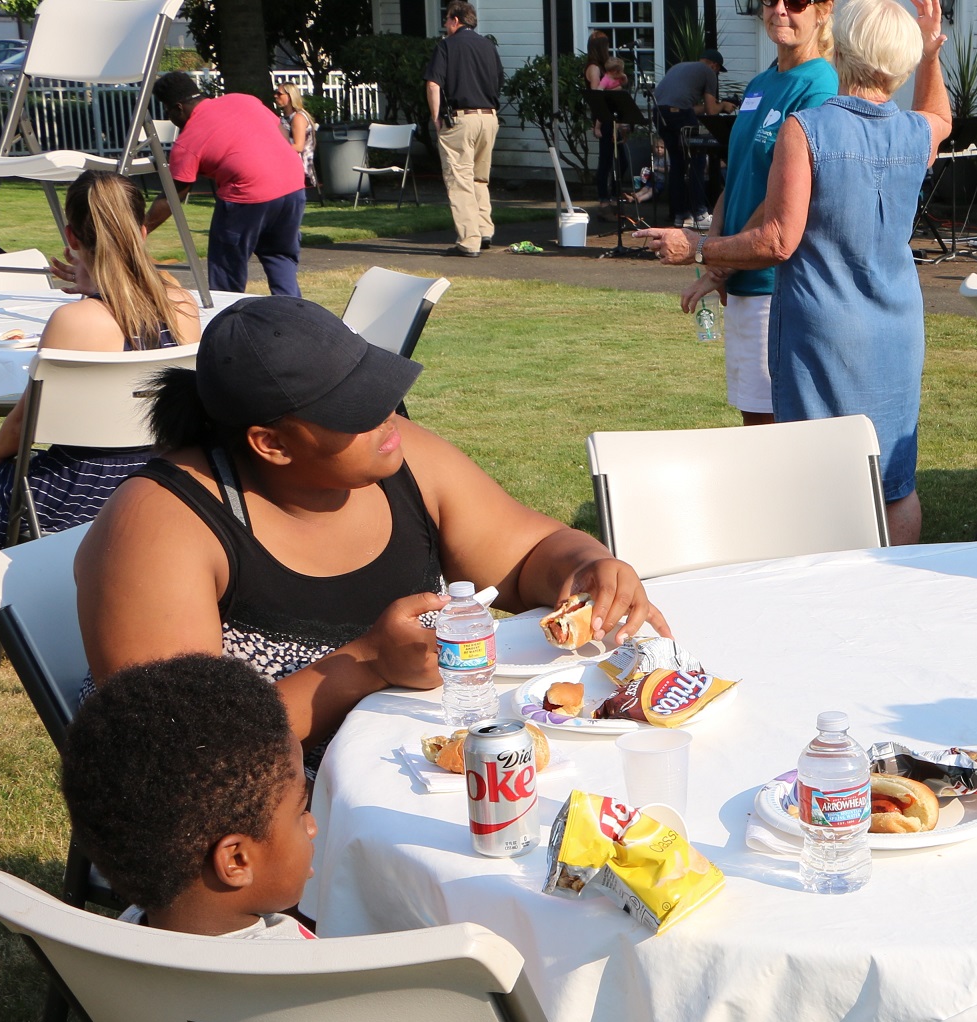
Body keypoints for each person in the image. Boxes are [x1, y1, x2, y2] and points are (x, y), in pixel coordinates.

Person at [61, 652, 646, 1022]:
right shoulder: (301, 990)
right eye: (300, 812)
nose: (312, 828)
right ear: (236, 861)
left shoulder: (127, 948)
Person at [75, 294, 666, 758]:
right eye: (353, 410)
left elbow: (529, 552)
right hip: (276, 818)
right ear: (272, 444)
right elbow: (180, 745)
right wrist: (367, 665)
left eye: (377, 388)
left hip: (423, 758)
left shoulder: (400, 459)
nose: (387, 417)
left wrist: (588, 568)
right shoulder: (164, 526)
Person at [633, 0, 950, 547]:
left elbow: (778, 239)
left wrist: (702, 250)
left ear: (844, 46)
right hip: (896, 332)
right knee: (895, 482)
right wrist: (930, 56)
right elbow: (941, 117)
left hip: (823, 334)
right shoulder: (913, 133)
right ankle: (898, 592)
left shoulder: (807, 128)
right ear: (898, 62)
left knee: (817, 478)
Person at [0, 172, 202, 641]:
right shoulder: (182, 305)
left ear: (71, 237)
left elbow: (25, 423)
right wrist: (94, 280)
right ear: (142, 229)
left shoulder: (74, 321)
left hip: (77, 498)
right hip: (166, 483)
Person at [672, 0, 837, 426]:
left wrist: (718, 259)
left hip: (775, 281)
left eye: (797, 2)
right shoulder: (761, 83)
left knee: (772, 426)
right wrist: (718, 255)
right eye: (771, 0)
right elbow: (740, 174)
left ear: (823, 11)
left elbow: (786, 192)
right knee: (753, 415)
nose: (780, 10)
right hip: (743, 274)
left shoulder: (820, 84)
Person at [144, 72, 307, 297]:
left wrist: (142, 229)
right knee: (279, 256)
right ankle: (294, 317)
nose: (170, 117)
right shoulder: (243, 99)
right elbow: (282, 135)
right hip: (293, 184)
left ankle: (226, 319)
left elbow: (172, 196)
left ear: (178, 108)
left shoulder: (188, 140)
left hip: (247, 195)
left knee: (226, 269)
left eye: (168, 111)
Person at [426, 0, 504, 258]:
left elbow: (434, 84)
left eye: (447, 19)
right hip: (489, 117)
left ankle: (469, 240)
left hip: (461, 119)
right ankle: (484, 230)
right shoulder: (488, 46)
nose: (445, 25)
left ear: (456, 20)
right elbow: (499, 80)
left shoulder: (447, 46)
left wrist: (436, 117)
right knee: (480, 178)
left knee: (459, 179)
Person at [654, 48, 729, 230]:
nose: (717, 73)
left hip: (659, 114)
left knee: (678, 165)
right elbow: (712, 111)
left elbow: (684, 108)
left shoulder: (680, 67)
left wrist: (705, 107)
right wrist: (724, 106)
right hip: (679, 115)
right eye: (718, 70)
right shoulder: (708, 73)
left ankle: (680, 215)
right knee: (697, 160)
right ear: (714, 65)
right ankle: (700, 213)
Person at [585, 31, 619, 201]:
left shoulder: (602, 67)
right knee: (605, 161)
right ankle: (605, 200)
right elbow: (597, 96)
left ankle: (614, 195)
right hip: (603, 117)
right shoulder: (594, 68)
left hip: (610, 117)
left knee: (620, 160)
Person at [274, 81, 318, 195]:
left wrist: (273, 152)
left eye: (279, 94)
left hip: (299, 167)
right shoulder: (285, 118)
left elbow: (298, 147)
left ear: (290, 96)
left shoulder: (298, 118)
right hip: (286, 163)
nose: (275, 96)